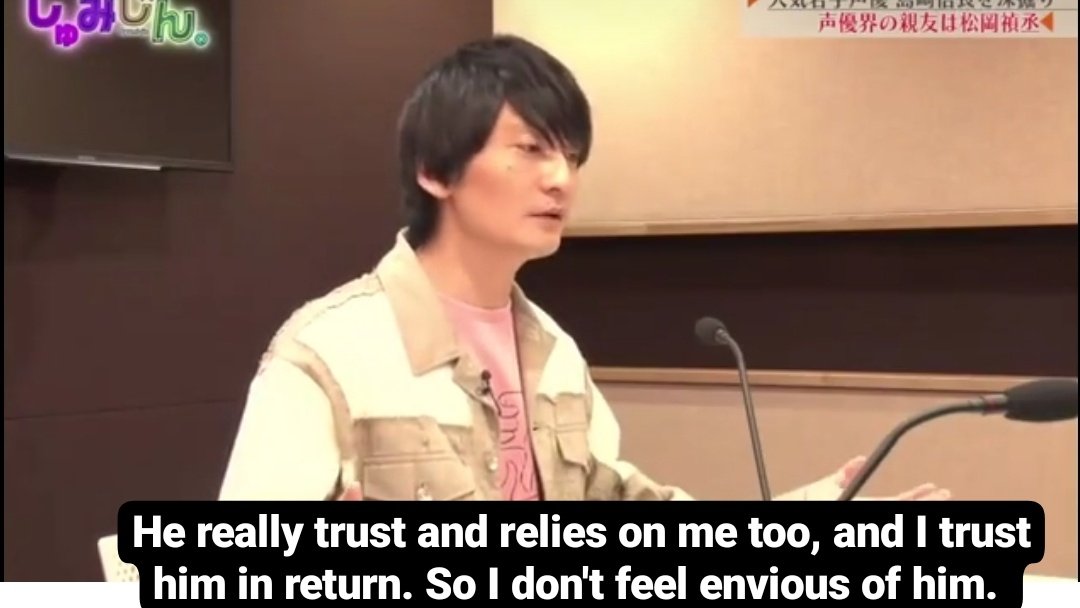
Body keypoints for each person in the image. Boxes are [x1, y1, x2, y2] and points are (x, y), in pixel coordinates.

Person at [218, 34, 950, 503]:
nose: (562, 179)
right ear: (436, 170)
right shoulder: (330, 355)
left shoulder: (555, 354)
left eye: (572, 156)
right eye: (532, 149)